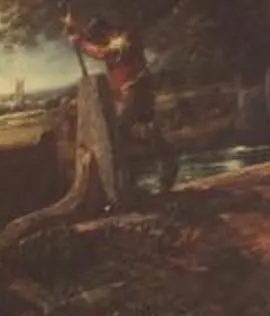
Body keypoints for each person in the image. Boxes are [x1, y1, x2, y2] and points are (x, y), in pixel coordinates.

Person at [62, 11, 182, 195]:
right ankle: (152, 173)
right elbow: (98, 45)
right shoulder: (115, 39)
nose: (100, 40)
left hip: (135, 92)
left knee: (121, 134)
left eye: (101, 36)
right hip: (132, 92)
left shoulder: (123, 40)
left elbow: (103, 52)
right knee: (139, 132)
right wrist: (73, 28)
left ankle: (153, 172)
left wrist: (78, 41)